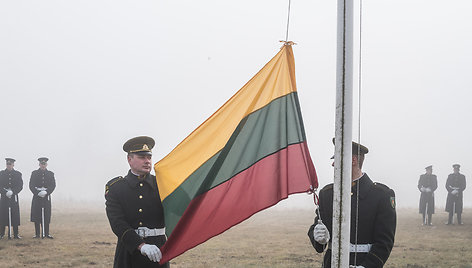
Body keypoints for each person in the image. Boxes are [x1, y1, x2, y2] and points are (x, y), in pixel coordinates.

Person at [307, 140, 396, 268]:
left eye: (337, 159)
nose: (333, 164)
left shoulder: (381, 195)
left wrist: (366, 266)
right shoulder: (327, 194)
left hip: (363, 262)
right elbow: (319, 231)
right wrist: (317, 235)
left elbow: (384, 242)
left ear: (353, 160)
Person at [105, 136, 169, 268]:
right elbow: (117, 223)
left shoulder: (162, 185)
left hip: (158, 250)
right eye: (142, 157)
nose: (147, 161)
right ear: (129, 159)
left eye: (149, 157)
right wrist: (141, 245)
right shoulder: (116, 188)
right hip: (129, 252)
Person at [29, 157, 56, 238]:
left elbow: (53, 185)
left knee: (46, 215)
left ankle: (46, 233)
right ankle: (37, 234)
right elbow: (31, 185)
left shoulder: (51, 174)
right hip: (37, 197)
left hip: (46, 197)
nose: (43, 165)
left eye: (44, 164)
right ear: (39, 164)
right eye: (41, 164)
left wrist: (47, 192)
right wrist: (37, 193)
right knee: (37, 215)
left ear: (46, 164)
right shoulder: (34, 173)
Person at [0, 158, 23, 239]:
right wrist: (4, 192)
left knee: (15, 215)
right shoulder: (1, 174)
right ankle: (1, 233)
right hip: (4, 197)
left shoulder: (18, 174)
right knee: (3, 214)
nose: (9, 166)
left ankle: (16, 234)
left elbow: (20, 186)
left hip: (14, 197)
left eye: (10, 164)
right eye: (7, 164)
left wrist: (13, 192)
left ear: (13, 165)